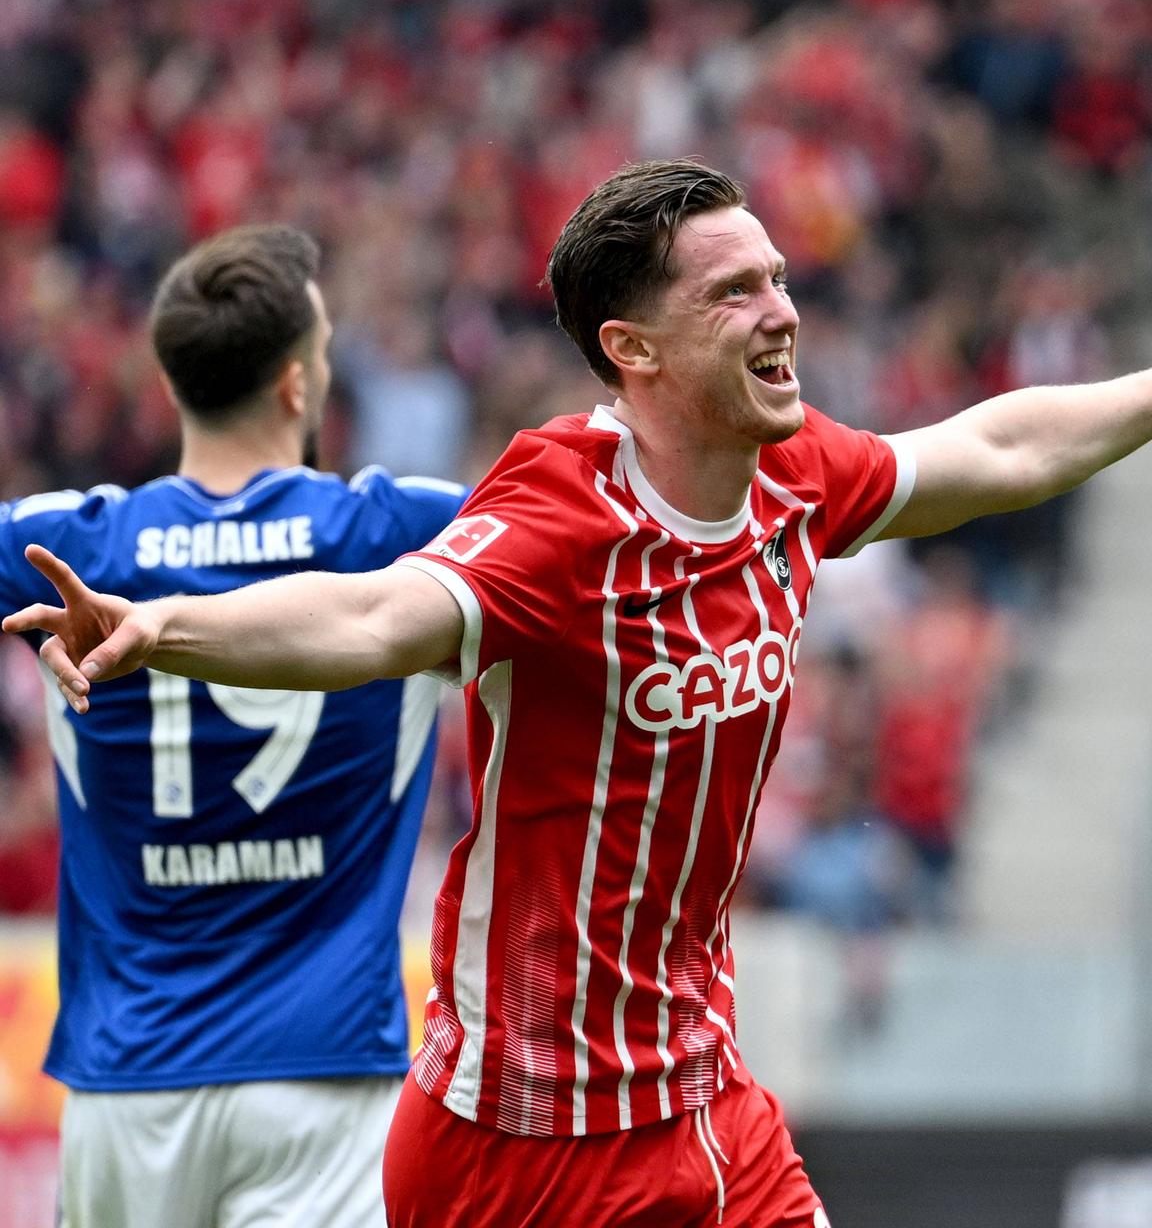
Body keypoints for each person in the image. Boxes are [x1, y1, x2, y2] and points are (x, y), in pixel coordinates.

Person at [8, 157, 1152, 1227]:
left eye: (779, 280)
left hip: (704, 1095)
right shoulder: (558, 519)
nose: (782, 312)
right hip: (516, 1137)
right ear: (634, 348)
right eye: (734, 292)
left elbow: (992, 452)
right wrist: (166, 627)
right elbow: (370, 617)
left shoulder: (794, 477)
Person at [0, 224, 468, 1228]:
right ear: (300, 385)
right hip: (325, 1075)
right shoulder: (399, 531)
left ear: (171, 386)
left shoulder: (68, 543)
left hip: (128, 1078)